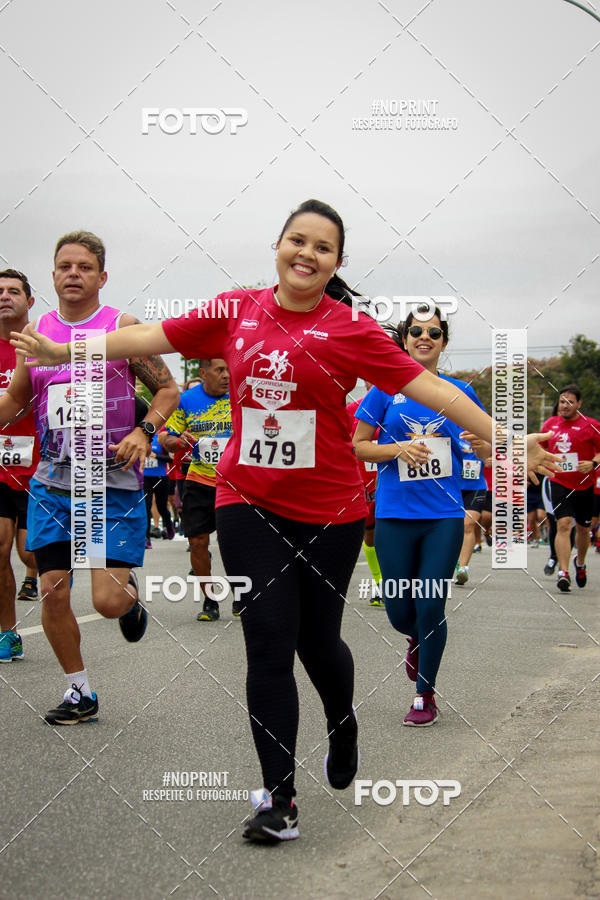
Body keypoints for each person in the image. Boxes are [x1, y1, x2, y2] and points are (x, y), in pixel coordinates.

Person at [12, 200, 558, 841]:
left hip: (330, 510)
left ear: (336, 262)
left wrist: (506, 437)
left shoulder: (351, 329)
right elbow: (146, 337)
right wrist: (62, 345)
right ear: (278, 246)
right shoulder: (233, 309)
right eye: (297, 240)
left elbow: (429, 388)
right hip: (246, 502)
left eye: (323, 247)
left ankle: (342, 721)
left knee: (318, 644)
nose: (307, 253)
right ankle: (279, 800)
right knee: (268, 641)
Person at [0, 232, 179, 721]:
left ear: (102, 276)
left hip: (110, 484)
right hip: (53, 483)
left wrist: (144, 432)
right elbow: (17, 398)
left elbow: (167, 389)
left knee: (105, 602)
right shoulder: (37, 334)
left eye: (83, 266)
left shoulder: (121, 328)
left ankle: (130, 601)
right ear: (54, 275)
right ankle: (79, 692)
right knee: (53, 586)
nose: (73, 273)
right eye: (64, 266)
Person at [353, 310, 489, 727]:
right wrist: (397, 450)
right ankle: (416, 639)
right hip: (394, 513)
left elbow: (483, 449)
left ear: (443, 343)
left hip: (442, 516)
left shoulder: (461, 391)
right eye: (416, 331)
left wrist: (482, 444)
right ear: (405, 339)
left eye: (434, 332)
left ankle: (424, 695)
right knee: (399, 612)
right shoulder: (383, 390)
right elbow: (358, 447)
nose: (424, 337)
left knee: (431, 603)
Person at [158, 359, 234, 621]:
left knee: (233, 543)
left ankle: (241, 592)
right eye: (219, 370)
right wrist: (178, 440)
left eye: (228, 370)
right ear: (203, 373)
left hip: (236, 484)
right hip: (200, 481)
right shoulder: (186, 399)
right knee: (198, 542)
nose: (226, 375)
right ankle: (210, 599)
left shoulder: (240, 395)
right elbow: (165, 439)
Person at [0, 269, 41, 663]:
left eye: (14, 291)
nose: (5, 296)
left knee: (30, 554)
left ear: (30, 301)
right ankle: (7, 632)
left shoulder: (42, 342)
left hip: (38, 468)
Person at [540, 385, 600, 592]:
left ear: (579, 404)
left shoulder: (590, 425)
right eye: (562, 401)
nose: (565, 406)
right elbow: (541, 449)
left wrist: (593, 463)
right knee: (564, 523)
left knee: (584, 529)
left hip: (585, 484)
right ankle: (563, 572)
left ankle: (580, 563)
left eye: (570, 402)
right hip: (558, 481)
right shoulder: (550, 425)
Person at [347, 383, 382, 606]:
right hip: (363, 484)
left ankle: (392, 584)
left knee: (391, 533)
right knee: (369, 535)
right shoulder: (351, 410)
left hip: (395, 484)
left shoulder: (404, 403)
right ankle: (380, 583)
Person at [455, 425, 490, 585]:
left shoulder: (481, 428)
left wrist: (490, 458)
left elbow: (496, 451)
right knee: (453, 527)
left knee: (468, 524)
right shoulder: (448, 426)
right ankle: (452, 559)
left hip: (475, 487)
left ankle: (463, 568)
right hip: (452, 486)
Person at [143, 434, 175, 548]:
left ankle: (169, 524)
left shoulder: (160, 439)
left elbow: (171, 459)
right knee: (146, 507)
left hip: (161, 477)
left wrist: (154, 455)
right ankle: (146, 538)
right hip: (145, 478)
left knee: (162, 507)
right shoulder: (140, 438)